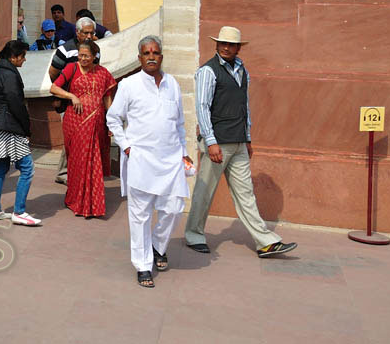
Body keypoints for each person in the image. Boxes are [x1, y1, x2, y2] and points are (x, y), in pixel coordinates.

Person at [184, 26, 297, 258]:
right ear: (217, 45)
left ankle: (265, 242)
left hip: (238, 142)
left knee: (246, 194)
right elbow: (202, 108)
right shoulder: (208, 71)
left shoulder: (243, 70)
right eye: (222, 43)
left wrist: (247, 137)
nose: (226, 47)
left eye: (231, 44)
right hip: (217, 142)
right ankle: (194, 235)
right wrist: (211, 141)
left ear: (238, 48)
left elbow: (244, 105)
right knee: (205, 192)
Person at [105, 36, 189, 288]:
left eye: (155, 52)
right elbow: (113, 118)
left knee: (174, 207)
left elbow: (179, 123)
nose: (151, 56)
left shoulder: (172, 84)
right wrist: (127, 146)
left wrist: (183, 152)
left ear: (161, 56)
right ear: (139, 58)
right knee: (140, 215)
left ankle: (157, 245)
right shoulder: (129, 85)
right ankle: (143, 265)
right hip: (140, 159)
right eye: (146, 53)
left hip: (171, 159)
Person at [49, 40, 116, 218]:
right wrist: (72, 96)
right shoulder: (71, 68)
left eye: (87, 56)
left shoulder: (103, 73)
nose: (83, 58)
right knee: (77, 161)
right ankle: (76, 200)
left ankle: (93, 203)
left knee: (93, 162)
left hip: (97, 124)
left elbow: (107, 97)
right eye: (81, 55)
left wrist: (111, 120)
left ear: (94, 56)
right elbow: (54, 87)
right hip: (75, 123)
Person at [0, 40, 40, 225]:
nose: (24, 60)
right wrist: (27, 128)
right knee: (27, 169)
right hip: (9, 128)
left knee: (0, 169)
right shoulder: (9, 75)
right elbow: (16, 105)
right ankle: (19, 212)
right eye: (23, 56)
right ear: (13, 57)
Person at [46, 16, 100, 186]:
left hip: (87, 102)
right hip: (68, 101)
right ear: (77, 32)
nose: (89, 36)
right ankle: (64, 172)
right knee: (71, 137)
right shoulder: (65, 50)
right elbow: (53, 72)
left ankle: (75, 171)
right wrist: (65, 91)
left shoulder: (96, 50)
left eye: (92, 33)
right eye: (86, 33)